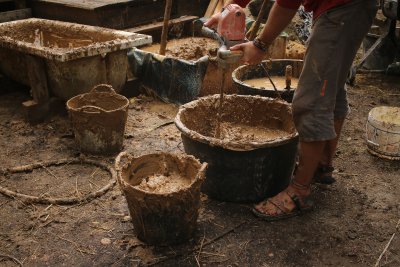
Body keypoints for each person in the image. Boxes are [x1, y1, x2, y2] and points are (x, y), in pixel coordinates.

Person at [205, 0, 378, 221]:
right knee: (329, 87)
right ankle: (321, 166)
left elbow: (287, 4)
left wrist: (260, 45)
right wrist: (230, 9)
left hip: (344, 7)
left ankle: (300, 190)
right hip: (348, 6)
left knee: (310, 100)